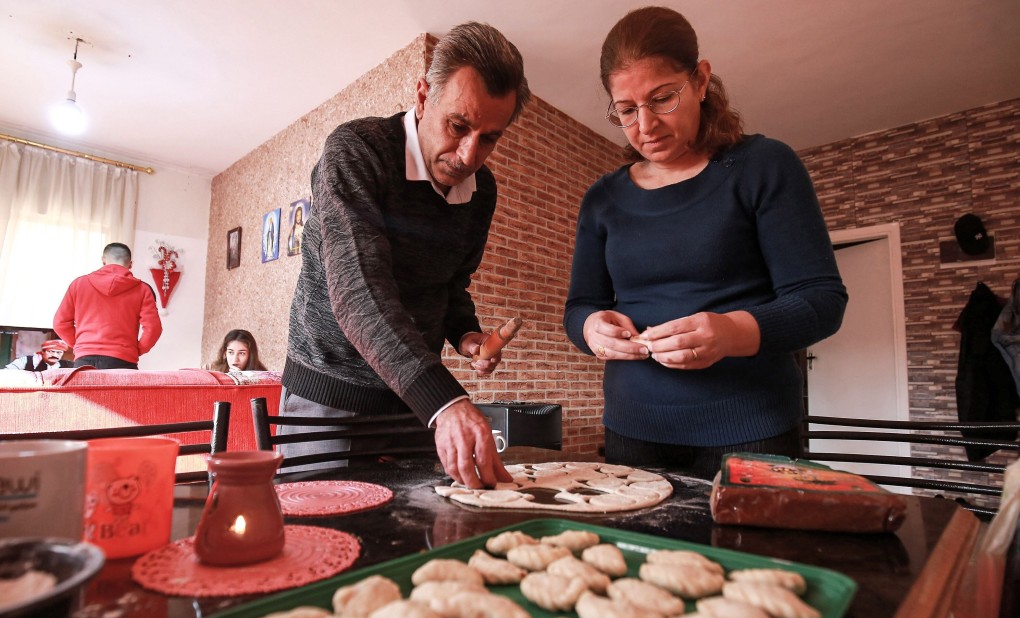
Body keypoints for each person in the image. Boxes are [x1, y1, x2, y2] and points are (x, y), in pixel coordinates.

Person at [563, 7, 848, 480]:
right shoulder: (603, 199)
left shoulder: (764, 166)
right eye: (627, 110)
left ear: (699, 80)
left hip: (753, 431)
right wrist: (591, 327)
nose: (646, 126)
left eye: (662, 99)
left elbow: (822, 300)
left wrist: (733, 333)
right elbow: (579, 306)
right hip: (633, 433)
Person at [282, 21, 530, 488]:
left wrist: (466, 334)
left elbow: (452, 283)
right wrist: (445, 400)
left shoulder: (483, 192)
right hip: (331, 399)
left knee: (419, 535)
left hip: (414, 400)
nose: (468, 154)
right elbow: (359, 289)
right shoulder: (357, 151)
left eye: (490, 137)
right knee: (324, 543)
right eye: (458, 126)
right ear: (422, 96)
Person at [53, 242, 163, 370]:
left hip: (84, 359)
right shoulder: (143, 289)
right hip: (124, 360)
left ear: (103, 260)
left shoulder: (79, 284)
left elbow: (59, 323)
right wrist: (136, 350)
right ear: (130, 264)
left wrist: (80, 345)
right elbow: (153, 328)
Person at [4, 339, 72, 371]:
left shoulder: (67, 365)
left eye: (59, 352)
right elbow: (7, 372)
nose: (55, 355)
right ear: (43, 351)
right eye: (51, 351)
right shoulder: (27, 361)